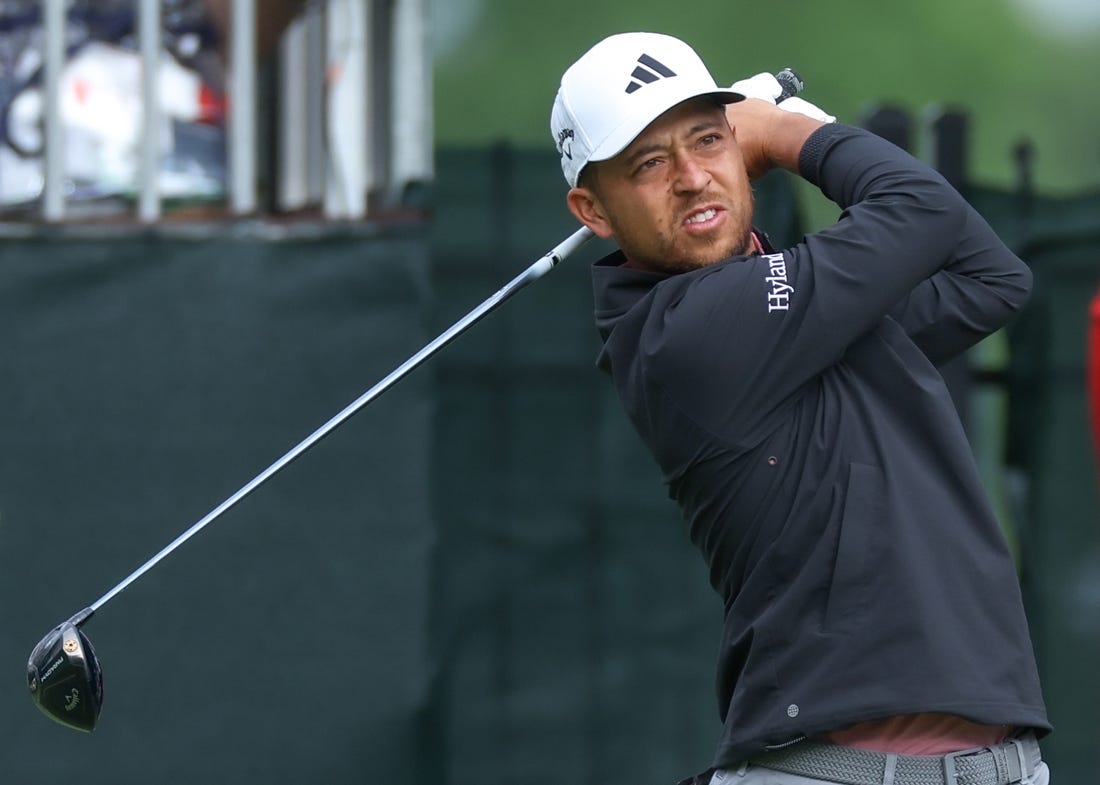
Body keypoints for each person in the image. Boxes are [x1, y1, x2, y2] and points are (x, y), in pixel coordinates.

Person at [550, 31, 1051, 785]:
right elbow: (920, 210)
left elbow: (991, 277)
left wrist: (788, 131)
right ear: (593, 208)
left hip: (1003, 766)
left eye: (707, 140)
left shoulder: (802, 316)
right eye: (649, 164)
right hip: (829, 771)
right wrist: (781, 131)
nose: (692, 177)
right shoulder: (683, 335)